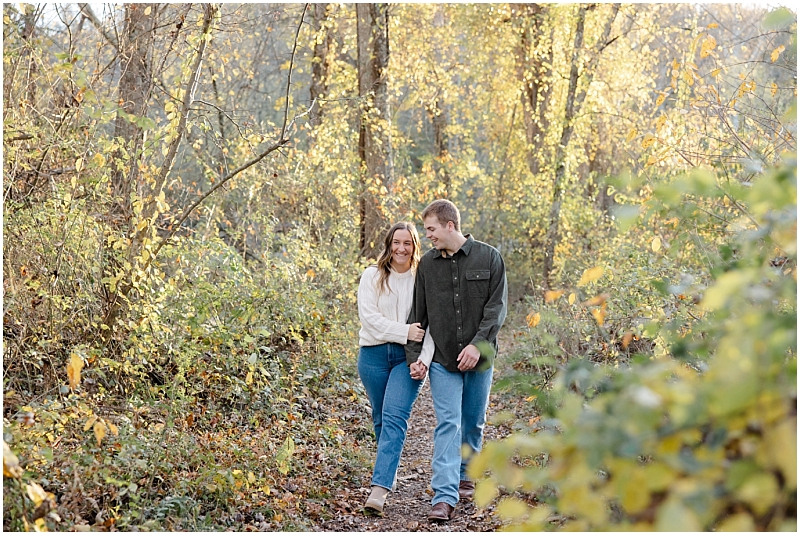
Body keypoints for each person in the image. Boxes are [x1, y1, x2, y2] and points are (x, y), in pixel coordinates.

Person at [405, 199, 508, 522]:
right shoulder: (427, 266)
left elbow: (496, 310)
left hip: (481, 358)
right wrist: (415, 357)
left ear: (450, 225)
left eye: (431, 229)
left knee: (473, 420)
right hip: (443, 360)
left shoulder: (489, 258)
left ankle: (467, 473)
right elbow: (417, 315)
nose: (429, 235)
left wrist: (478, 345)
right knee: (448, 423)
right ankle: (444, 495)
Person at [357, 222, 434, 516]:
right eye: (396, 242)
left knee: (393, 417)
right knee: (380, 417)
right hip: (373, 356)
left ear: (415, 247)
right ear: (388, 244)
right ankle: (386, 468)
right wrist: (405, 332)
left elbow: (431, 327)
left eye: (408, 243)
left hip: (407, 358)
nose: (401, 249)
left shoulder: (422, 280)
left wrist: (424, 358)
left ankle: (379, 489)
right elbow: (369, 319)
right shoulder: (372, 276)